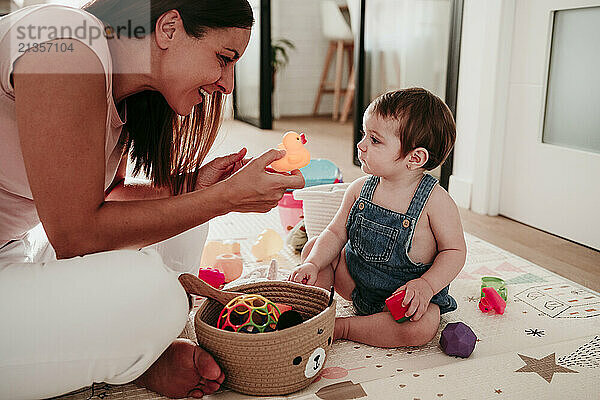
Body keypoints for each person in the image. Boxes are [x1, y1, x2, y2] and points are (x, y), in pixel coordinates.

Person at [0, 1, 304, 399]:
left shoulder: (119, 88)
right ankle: (132, 352)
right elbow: (75, 236)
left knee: (183, 226)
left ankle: (136, 351)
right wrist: (225, 199)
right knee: (152, 293)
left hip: (12, 253)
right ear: (169, 28)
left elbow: (100, 199)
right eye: (223, 58)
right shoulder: (64, 41)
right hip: (27, 257)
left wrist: (196, 186)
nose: (227, 84)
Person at [289, 88, 466, 348]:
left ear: (415, 158)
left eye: (374, 140)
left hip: (404, 301)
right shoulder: (359, 189)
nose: (360, 145)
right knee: (313, 247)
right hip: (355, 283)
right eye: (364, 134)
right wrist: (314, 265)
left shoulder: (436, 202)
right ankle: (314, 315)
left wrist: (426, 286)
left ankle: (343, 327)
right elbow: (336, 233)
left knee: (424, 326)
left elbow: (454, 251)